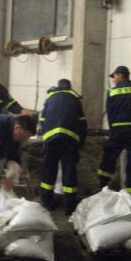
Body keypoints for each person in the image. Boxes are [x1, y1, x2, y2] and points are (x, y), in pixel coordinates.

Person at [39, 79, 87, 215]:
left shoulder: (50, 98)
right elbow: (83, 124)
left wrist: (45, 140)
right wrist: (80, 145)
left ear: (57, 86)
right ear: (69, 87)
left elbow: (42, 121)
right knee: (69, 171)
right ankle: (69, 206)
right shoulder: (75, 98)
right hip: (70, 140)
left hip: (51, 140)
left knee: (49, 170)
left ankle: (47, 202)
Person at [97, 66, 131, 196]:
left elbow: (110, 113)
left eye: (114, 77)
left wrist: (113, 131)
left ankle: (103, 187)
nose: (113, 80)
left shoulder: (113, 92)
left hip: (119, 131)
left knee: (109, 157)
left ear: (120, 75)